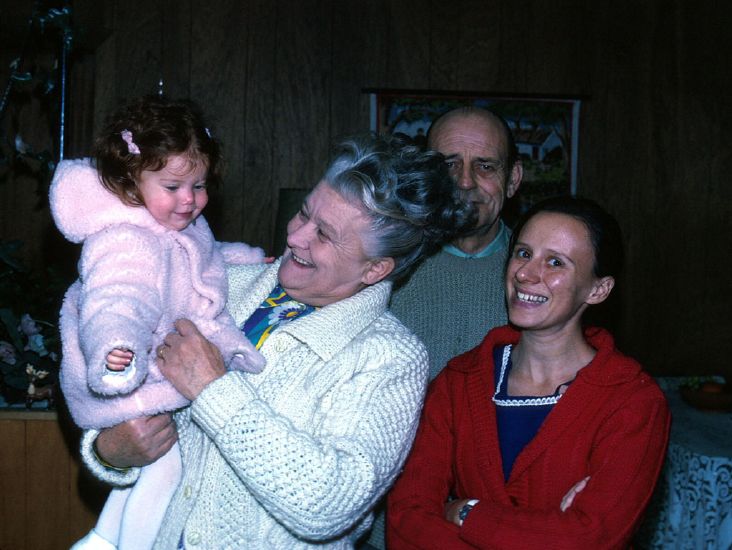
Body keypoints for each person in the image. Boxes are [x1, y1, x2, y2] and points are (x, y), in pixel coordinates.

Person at [78, 134, 476, 549]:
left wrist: (213, 390)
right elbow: (125, 390)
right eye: (304, 212)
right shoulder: (219, 285)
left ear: (376, 268)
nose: (297, 236)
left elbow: (329, 503)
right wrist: (109, 451)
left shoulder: (390, 358)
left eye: (324, 234)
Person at [387, 196, 671, 549]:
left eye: (555, 262)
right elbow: (406, 520)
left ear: (598, 290)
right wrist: (549, 531)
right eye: (523, 253)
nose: (525, 273)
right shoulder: (458, 383)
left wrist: (467, 513)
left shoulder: (632, 403)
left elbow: (591, 538)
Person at [50, 95, 266, 550]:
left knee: (152, 475)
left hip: (150, 369)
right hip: (126, 366)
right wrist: (115, 345)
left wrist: (249, 260)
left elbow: (200, 263)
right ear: (131, 182)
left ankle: (101, 540)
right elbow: (118, 299)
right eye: (173, 186)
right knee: (168, 471)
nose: (190, 200)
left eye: (201, 185)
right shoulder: (125, 240)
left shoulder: (171, 226)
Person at [389, 106, 523, 381]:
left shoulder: (536, 275)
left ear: (512, 180)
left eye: (485, 166)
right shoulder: (386, 263)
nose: (464, 182)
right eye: (449, 165)